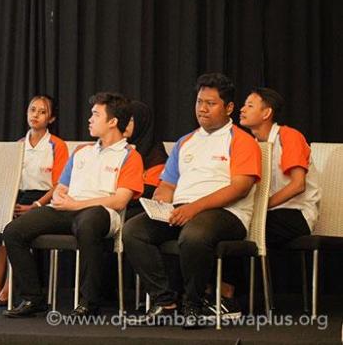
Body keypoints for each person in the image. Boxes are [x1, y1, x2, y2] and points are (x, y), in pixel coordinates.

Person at [123, 73, 261, 328]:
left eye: (211, 103)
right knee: (133, 230)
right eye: (199, 102)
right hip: (181, 209)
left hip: (226, 212)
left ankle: (193, 304)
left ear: (229, 107)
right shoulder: (185, 141)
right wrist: (161, 203)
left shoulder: (242, 140)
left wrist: (194, 208)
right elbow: (167, 185)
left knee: (194, 235)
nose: (202, 108)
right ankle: (165, 301)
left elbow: (240, 188)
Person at [2, 92, 144, 318]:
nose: (90, 119)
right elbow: (62, 186)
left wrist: (77, 204)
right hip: (68, 208)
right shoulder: (81, 152)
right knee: (13, 231)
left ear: (113, 121)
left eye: (96, 115)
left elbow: (120, 200)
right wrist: (60, 197)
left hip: (102, 213)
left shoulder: (129, 155)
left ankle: (89, 302)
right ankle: (32, 297)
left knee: (88, 223)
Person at [0, 95, 69, 307]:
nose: (35, 115)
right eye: (32, 110)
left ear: (51, 118)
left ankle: (9, 288)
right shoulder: (19, 144)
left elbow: (59, 185)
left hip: (44, 199)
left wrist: (36, 205)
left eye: (42, 112)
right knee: (2, 228)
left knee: (16, 231)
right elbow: (8, 179)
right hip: (18, 195)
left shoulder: (57, 145)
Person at [239, 87, 320, 246]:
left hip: (297, 213)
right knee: (234, 223)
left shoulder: (288, 136)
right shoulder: (251, 145)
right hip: (268, 211)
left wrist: (261, 207)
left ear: (266, 113)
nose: (242, 109)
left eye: (250, 105)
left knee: (250, 226)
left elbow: (298, 185)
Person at [123, 100, 169, 220]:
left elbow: (149, 192)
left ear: (141, 123)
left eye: (130, 120)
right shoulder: (116, 148)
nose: (124, 123)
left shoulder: (155, 156)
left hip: (142, 208)